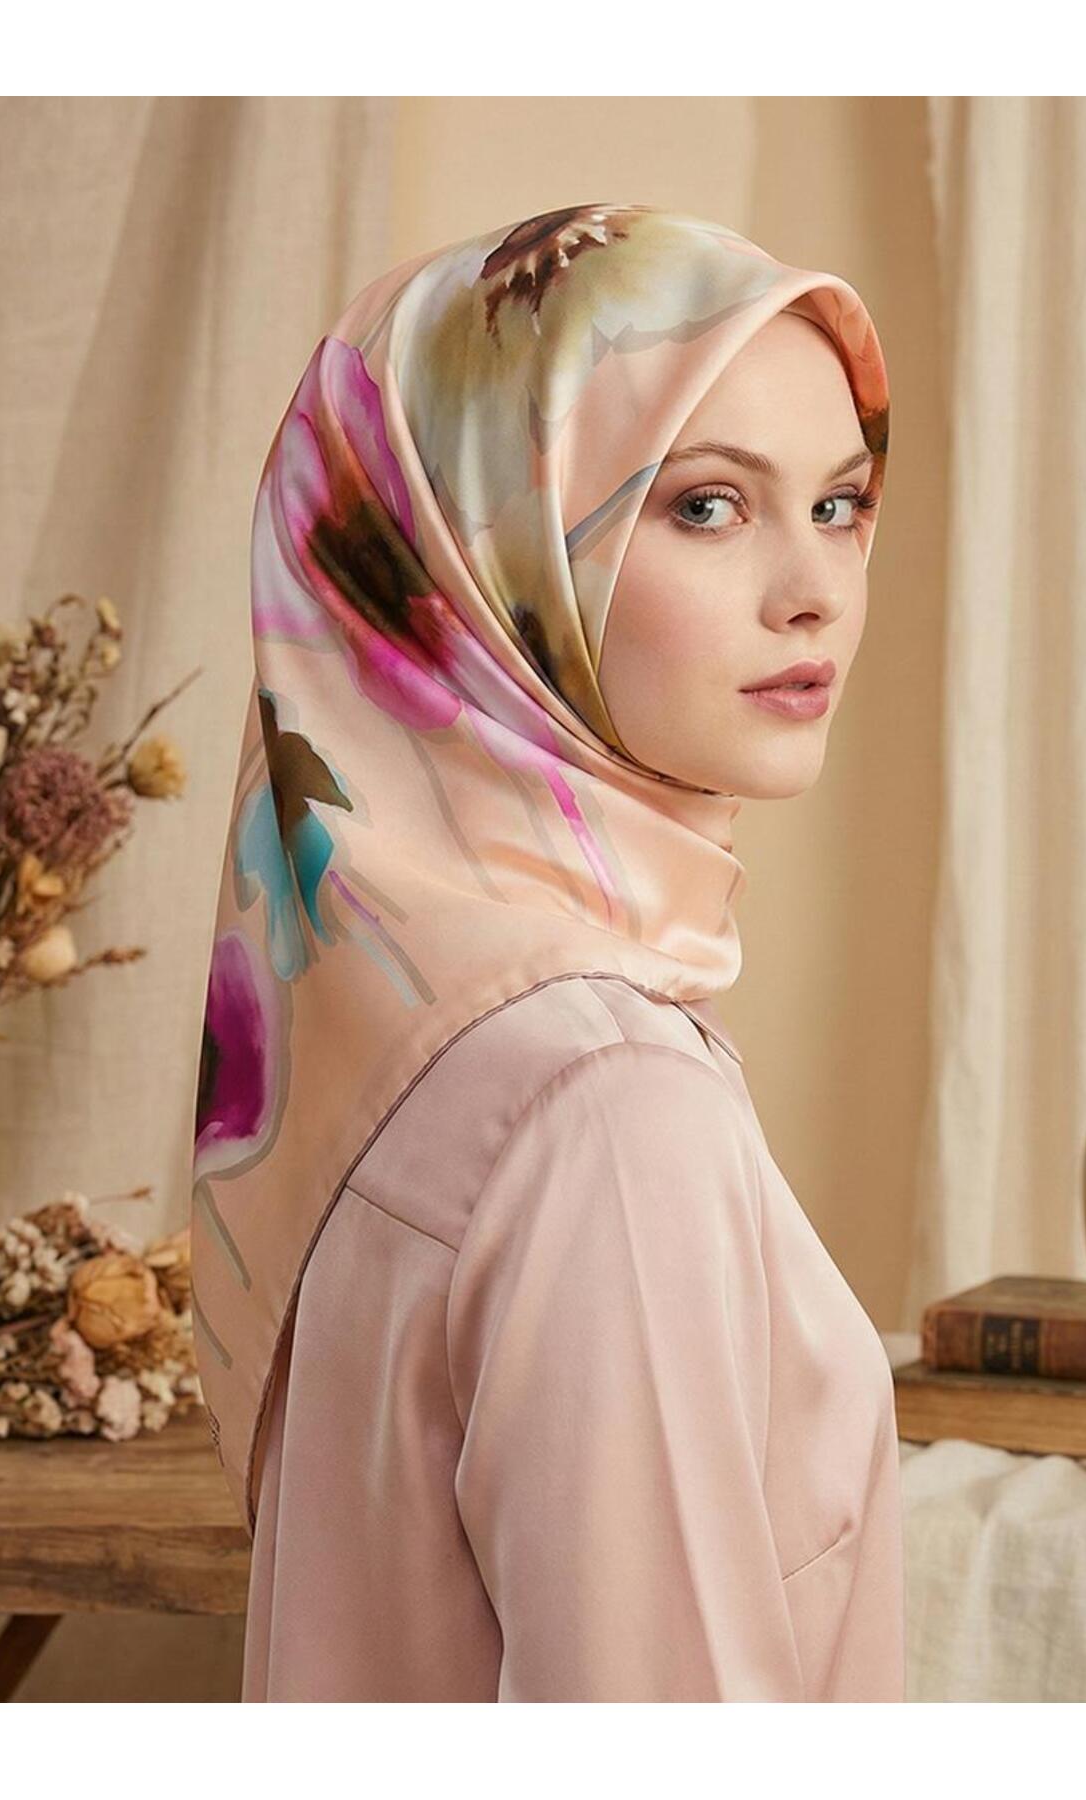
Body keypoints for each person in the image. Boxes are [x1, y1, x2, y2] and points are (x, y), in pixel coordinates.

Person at [189, 202, 904, 1702]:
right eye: (706, 505)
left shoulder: (391, 1024)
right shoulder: (604, 1104)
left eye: (840, 502)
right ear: (471, 554)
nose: (817, 587)